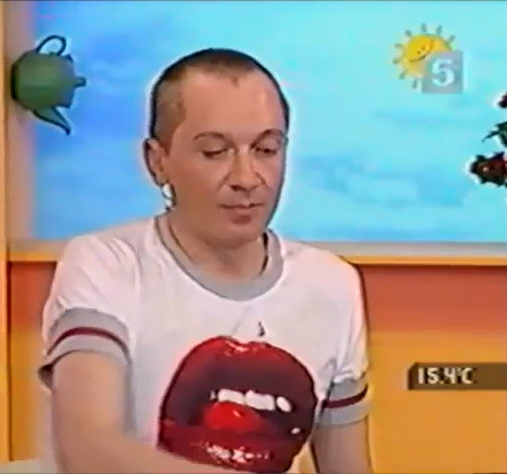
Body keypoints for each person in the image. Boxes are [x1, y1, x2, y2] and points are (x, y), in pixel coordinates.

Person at [39, 48, 372, 474]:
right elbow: (90, 451)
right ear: (157, 162)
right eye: (215, 152)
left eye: (266, 149)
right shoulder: (107, 265)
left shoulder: (332, 285)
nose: (246, 178)